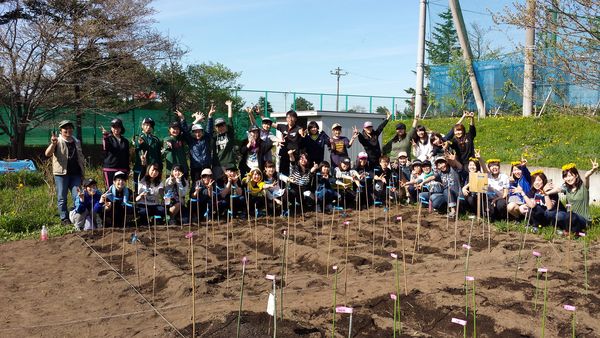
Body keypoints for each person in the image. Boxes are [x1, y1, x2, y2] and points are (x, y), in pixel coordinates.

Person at [45, 120, 85, 225]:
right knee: (62, 197)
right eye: (65, 128)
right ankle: (64, 218)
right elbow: (47, 154)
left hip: (76, 174)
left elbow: (80, 157)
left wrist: (82, 171)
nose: (68, 130)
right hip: (61, 174)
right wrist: (53, 144)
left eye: (70, 128)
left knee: (77, 195)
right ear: (61, 130)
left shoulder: (76, 141)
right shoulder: (57, 141)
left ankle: (77, 216)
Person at [546, 160, 599, 234]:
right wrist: (546, 193)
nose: (568, 178)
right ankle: (574, 232)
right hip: (569, 217)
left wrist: (593, 170)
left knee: (572, 215)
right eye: (565, 176)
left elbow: (586, 176)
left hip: (583, 219)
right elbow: (558, 189)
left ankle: (571, 231)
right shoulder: (566, 188)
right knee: (559, 215)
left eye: (570, 175)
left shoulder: (583, 187)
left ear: (576, 175)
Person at [183, 105, 215, 182]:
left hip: (206, 166)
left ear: (202, 132)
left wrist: (210, 116)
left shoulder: (206, 138)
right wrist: (196, 121)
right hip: (195, 167)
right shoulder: (190, 140)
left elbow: (209, 129)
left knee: (208, 184)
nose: (197, 134)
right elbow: (185, 131)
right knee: (196, 186)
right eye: (195, 132)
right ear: (193, 133)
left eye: (199, 131)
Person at [133, 117, 163, 190]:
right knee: (139, 188)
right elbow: (137, 146)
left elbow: (158, 154)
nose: (148, 127)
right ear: (142, 126)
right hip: (140, 167)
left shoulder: (156, 139)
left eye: (150, 126)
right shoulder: (138, 137)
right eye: (146, 125)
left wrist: (160, 166)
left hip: (152, 169)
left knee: (151, 188)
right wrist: (140, 144)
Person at [288, 150, 319, 214]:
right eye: (301, 158)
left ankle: (306, 207)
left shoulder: (307, 171)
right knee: (292, 193)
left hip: (303, 192)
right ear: (299, 160)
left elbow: (310, 173)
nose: (303, 160)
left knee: (310, 196)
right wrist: (291, 154)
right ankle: (294, 206)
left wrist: (314, 168)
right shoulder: (295, 168)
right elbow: (292, 161)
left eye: (305, 158)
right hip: (295, 190)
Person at [101, 118, 130, 187]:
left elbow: (127, 155)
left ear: (121, 128)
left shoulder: (125, 141)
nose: (116, 129)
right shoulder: (108, 138)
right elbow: (105, 148)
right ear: (111, 128)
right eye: (114, 127)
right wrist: (105, 136)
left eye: (118, 127)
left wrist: (128, 169)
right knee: (110, 189)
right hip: (110, 168)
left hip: (122, 168)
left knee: (121, 189)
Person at [213, 100, 237, 180]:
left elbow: (230, 119)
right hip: (218, 164)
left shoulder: (229, 134)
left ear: (225, 126)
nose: (221, 127)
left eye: (222, 125)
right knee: (218, 186)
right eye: (218, 126)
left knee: (232, 184)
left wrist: (229, 106)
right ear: (216, 128)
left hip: (230, 163)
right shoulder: (214, 137)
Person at [276, 110, 303, 176]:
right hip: (284, 155)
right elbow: (269, 123)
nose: (290, 119)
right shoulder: (283, 127)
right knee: (282, 174)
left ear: (295, 119)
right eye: (288, 117)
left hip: (294, 156)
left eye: (292, 117)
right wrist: (260, 114)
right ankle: (282, 186)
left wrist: (302, 133)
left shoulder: (298, 128)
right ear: (286, 119)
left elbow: (301, 131)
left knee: (293, 175)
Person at [163, 111, 189, 177]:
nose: (176, 130)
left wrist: (182, 118)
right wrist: (168, 145)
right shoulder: (167, 139)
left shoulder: (181, 138)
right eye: (173, 128)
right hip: (172, 171)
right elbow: (168, 143)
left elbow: (187, 130)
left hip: (183, 169)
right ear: (169, 129)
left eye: (177, 129)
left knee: (184, 186)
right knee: (171, 187)